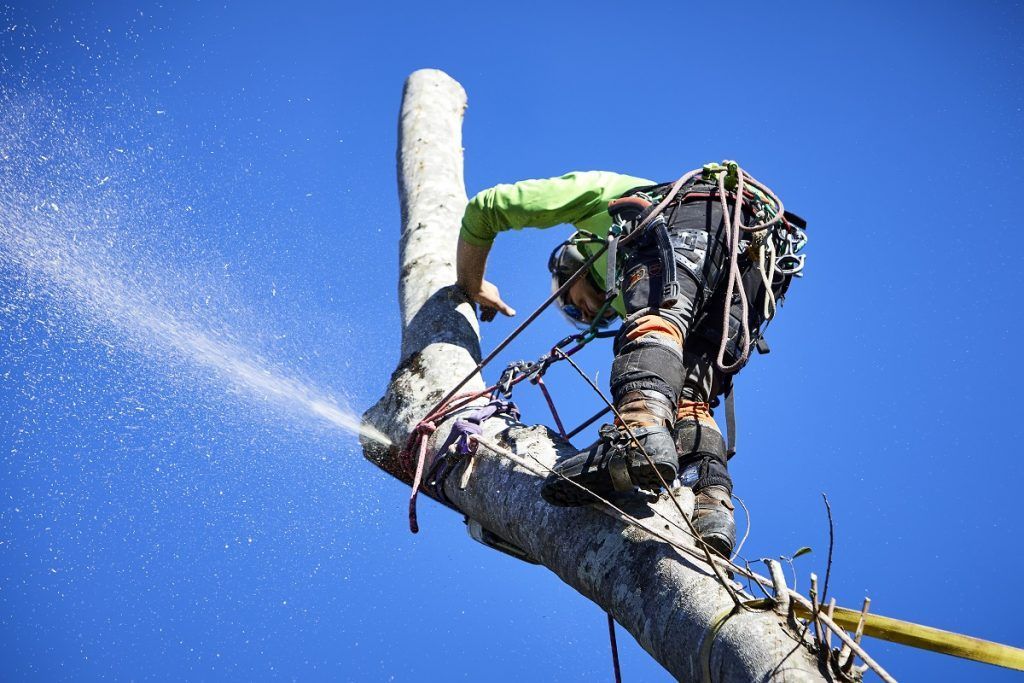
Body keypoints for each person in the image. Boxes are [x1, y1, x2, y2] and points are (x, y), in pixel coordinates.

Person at [456, 167, 804, 557]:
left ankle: (636, 438)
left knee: (654, 322)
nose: (585, 315)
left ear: (575, 258)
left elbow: (487, 207)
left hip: (699, 222)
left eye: (570, 301)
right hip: (756, 270)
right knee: (690, 395)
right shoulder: (628, 294)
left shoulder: (604, 199)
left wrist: (470, 283)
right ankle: (711, 503)